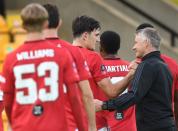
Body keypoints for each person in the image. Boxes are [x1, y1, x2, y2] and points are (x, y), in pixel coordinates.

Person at [1, 3, 85, 131]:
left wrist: (14, 122)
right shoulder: (61, 55)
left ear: (23, 26)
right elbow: (74, 97)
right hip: (56, 126)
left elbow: (7, 100)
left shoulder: (11, 58)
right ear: (46, 23)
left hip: (24, 126)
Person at [95, 28, 176, 131]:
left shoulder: (145, 65)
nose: (133, 47)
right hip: (167, 125)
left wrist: (104, 105)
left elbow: (133, 95)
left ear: (146, 43)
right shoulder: (165, 67)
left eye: (136, 43)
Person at [72, 15, 137, 130]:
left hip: (66, 121)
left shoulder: (61, 52)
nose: (98, 40)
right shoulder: (93, 57)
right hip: (89, 123)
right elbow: (112, 92)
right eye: (96, 35)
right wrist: (130, 75)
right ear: (85, 36)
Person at [42, 4, 96, 131]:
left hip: (39, 124)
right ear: (59, 22)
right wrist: (92, 127)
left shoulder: (26, 54)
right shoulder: (73, 51)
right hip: (69, 124)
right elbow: (87, 95)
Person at [136, 23, 178, 131]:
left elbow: (131, 98)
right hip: (167, 123)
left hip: (145, 124)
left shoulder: (136, 66)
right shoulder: (173, 65)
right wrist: (175, 128)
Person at [99, 31, 136, 131]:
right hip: (128, 127)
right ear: (118, 47)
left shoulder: (97, 68)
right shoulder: (131, 68)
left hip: (105, 126)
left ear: (101, 47)